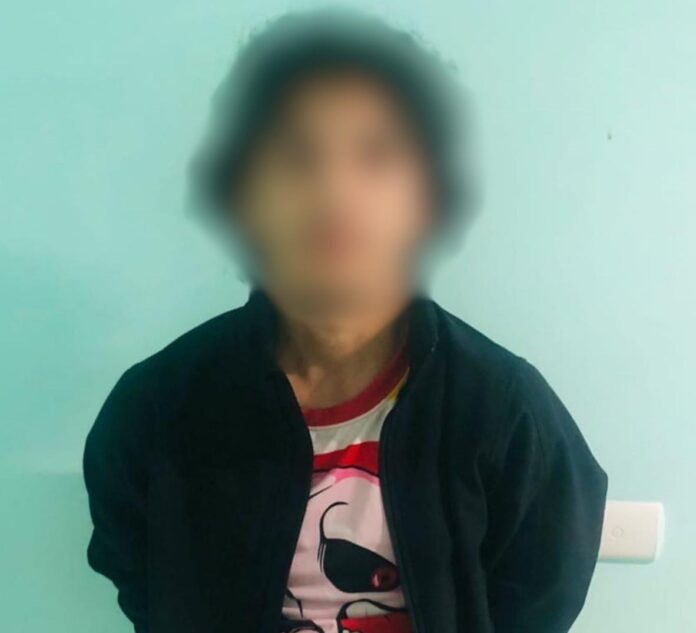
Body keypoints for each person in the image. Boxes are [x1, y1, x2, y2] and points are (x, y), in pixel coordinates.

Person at [82, 6, 609, 633]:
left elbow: (544, 585)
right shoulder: (158, 407)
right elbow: (137, 570)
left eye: (376, 154)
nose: (334, 190)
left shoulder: (503, 409)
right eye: (295, 154)